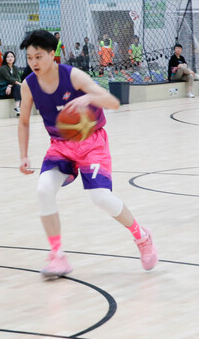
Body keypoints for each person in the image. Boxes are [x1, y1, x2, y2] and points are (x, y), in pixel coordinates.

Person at [17, 30, 157, 278]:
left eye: (38, 57)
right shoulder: (28, 85)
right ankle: (57, 256)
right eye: (29, 58)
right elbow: (24, 121)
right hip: (60, 146)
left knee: (100, 198)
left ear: (52, 54)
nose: (34, 63)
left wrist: (88, 98)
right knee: (43, 190)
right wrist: (23, 155)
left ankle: (142, 236)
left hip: (91, 143)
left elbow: (113, 102)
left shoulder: (73, 76)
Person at [0, 50, 22, 115]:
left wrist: (10, 86)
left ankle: (17, 107)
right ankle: (18, 107)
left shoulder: (15, 68)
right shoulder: (2, 68)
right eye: (8, 57)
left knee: (18, 87)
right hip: (2, 89)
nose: (10, 58)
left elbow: (16, 78)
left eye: (12, 56)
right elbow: (9, 78)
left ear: (14, 58)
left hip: (10, 88)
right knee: (18, 86)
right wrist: (20, 84)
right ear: (5, 59)